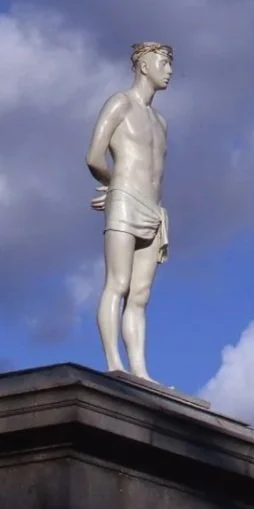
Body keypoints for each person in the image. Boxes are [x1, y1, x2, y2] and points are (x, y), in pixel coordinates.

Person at [86, 42, 174, 381]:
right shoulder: (120, 103)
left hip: (154, 209)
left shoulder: (161, 122)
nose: (169, 70)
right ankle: (114, 363)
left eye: (170, 64)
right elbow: (94, 156)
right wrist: (113, 187)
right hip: (124, 199)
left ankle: (139, 369)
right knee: (118, 283)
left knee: (140, 295)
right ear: (144, 64)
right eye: (164, 62)